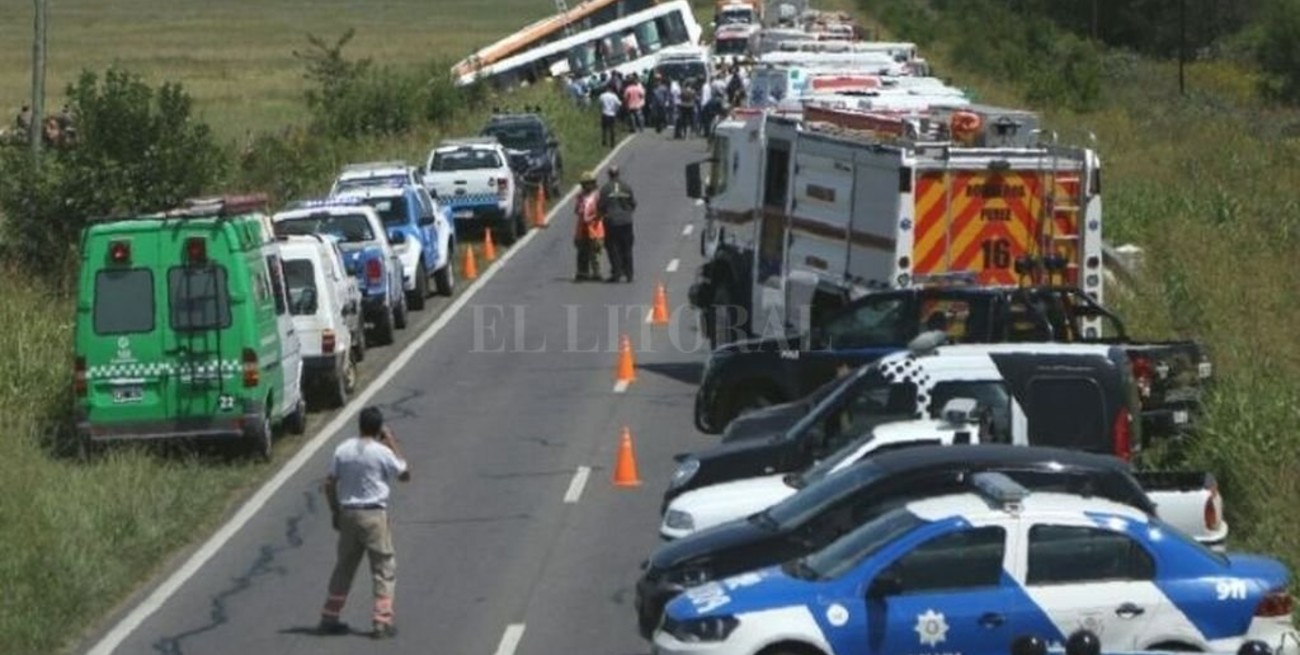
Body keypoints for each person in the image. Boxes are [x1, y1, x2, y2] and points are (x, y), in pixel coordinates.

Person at [318, 406, 412, 639]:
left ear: (359, 425)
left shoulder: (343, 449)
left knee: (344, 567)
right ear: (379, 428)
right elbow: (405, 475)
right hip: (373, 515)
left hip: (348, 514)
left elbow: (329, 483)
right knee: (383, 568)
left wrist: (335, 511)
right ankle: (381, 622)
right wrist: (391, 442)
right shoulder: (382, 452)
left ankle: (329, 616)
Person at [598, 165, 637, 282]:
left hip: (612, 222)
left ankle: (617, 273)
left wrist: (605, 214)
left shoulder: (605, 189)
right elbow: (633, 204)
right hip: (626, 221)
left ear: (609, 175)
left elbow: (600, 206)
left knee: (613, 247)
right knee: (627, 247)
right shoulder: (626, 187)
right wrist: (626, 213)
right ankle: (629, 274)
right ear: (618, 174)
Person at [573, 170, 605, 281]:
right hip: (582, 228)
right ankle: (582, 272)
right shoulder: (580, 197)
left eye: (590, 183)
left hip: (595, 227)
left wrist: (595, 216)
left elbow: (602, 211)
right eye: (586, 183)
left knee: (595, 251)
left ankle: (597, 272)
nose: (588, 186)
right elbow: (577, 210)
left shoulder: (597, 196)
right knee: (582, 251)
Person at [598, 83, 621, 148]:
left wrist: (601, 109)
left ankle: (604, 142)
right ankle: (612, 143)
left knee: (604, 129)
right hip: (612, 114)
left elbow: (599, 104)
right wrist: (616, 110)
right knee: (612, 129)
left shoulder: (602, 96)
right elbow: (619, 104)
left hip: (604, 113)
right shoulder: (614, 96)